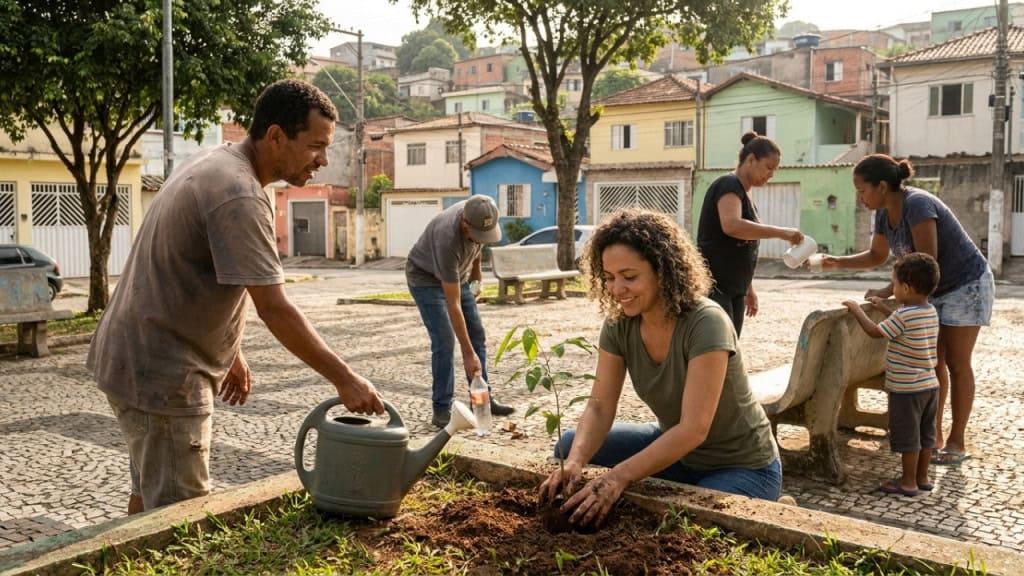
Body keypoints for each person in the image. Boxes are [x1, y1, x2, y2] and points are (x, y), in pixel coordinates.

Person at [87, 79, 385, 514]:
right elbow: (275, 307)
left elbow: (218, 273)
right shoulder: (240, 194)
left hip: (135, 357)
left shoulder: (220, 164)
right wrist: (345, 378)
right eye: (316, 146)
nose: (323, 160)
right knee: (179, 521)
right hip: (164, 375)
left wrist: (233, 350)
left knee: (149, 500)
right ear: (277, 136)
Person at [539, 210, 782, 528]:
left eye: (629, 276)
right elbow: (599, 406)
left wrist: (617, 478)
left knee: (683, 527)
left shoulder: (706, 322)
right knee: (569, 446)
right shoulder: (619, 325)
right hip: (679, 452)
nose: (617, 289)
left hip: (742, 465)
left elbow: (694, 428)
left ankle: (770, 502)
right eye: (609, 277)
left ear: (663, 272)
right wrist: (574, 463)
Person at [820, 154, 993, 466]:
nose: (859, 198)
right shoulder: (884, 214)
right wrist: (837, 262)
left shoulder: (918, 204)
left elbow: (927, 261)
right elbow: (876, 254)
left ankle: (956, 440)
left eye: (862, 190)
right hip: (931, 287)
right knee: (933, 362)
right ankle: (933, 437)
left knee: (956, 362)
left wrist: (889, 292)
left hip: (964, 283)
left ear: (883, 186)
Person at [405, 195, 515, 428]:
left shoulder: (481, 215)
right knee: (445, 339)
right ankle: (442, 408)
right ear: (465, 223)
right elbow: (452, 304)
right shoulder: (448, 239)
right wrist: (467, 353)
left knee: (477, 333)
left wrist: (477, 277)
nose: (480, 238)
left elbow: (477, 247)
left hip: (459, 276)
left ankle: (481, 400)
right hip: (425, 278)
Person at [843, 253, 941, 496]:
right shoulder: (929, 311)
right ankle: (922, 477)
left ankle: (907, 482)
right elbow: (902, 326)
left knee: (909, 437)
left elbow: (876, 332)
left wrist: (858, 310)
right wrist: (885, 308)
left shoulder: (904, 315)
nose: (893, 288)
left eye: (895, 284)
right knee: (926, 434)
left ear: (906, 288)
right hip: (930, 386)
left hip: (907, 389)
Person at [696, 131, 804, 336]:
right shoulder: (728, 184)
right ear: (751, 160)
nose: (771, 174)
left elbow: (743, 245)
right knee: (718, 347)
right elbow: (732, 226)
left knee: (730, 348)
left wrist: (749, 288)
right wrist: (782, 233)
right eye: (769, 167)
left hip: (735, 288)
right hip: (715, 286)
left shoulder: (746, 194)